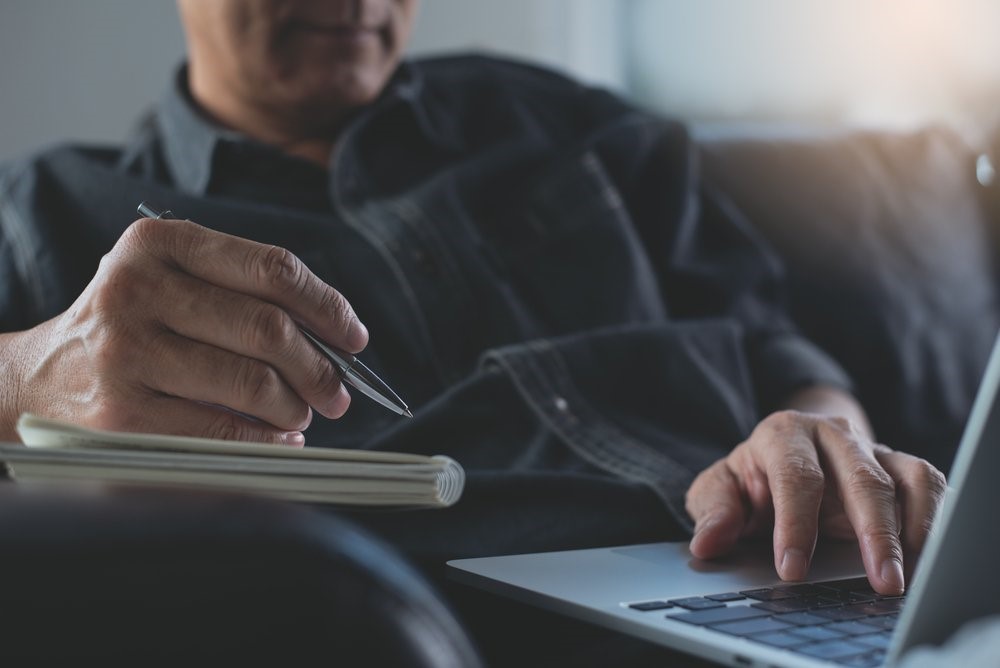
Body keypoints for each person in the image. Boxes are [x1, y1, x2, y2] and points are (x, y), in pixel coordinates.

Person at [0, 0, 945, 662]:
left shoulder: (577, 122)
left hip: (783, 588)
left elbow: (779, 347)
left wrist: (827, 443)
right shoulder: (48, 212)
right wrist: (21, 380)